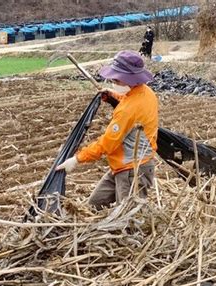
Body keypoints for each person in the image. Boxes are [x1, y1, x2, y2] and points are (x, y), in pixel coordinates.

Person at [56, 50, 159, 209]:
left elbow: (107, 144)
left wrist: (77, 159)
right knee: (94, 205)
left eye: (116, 79)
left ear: (128, 79)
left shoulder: (127, 111)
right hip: (121, 166)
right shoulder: (146, 92)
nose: (113, 81)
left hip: (133, 170)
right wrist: (112, 95)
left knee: (128, 218)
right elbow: (129, 99)